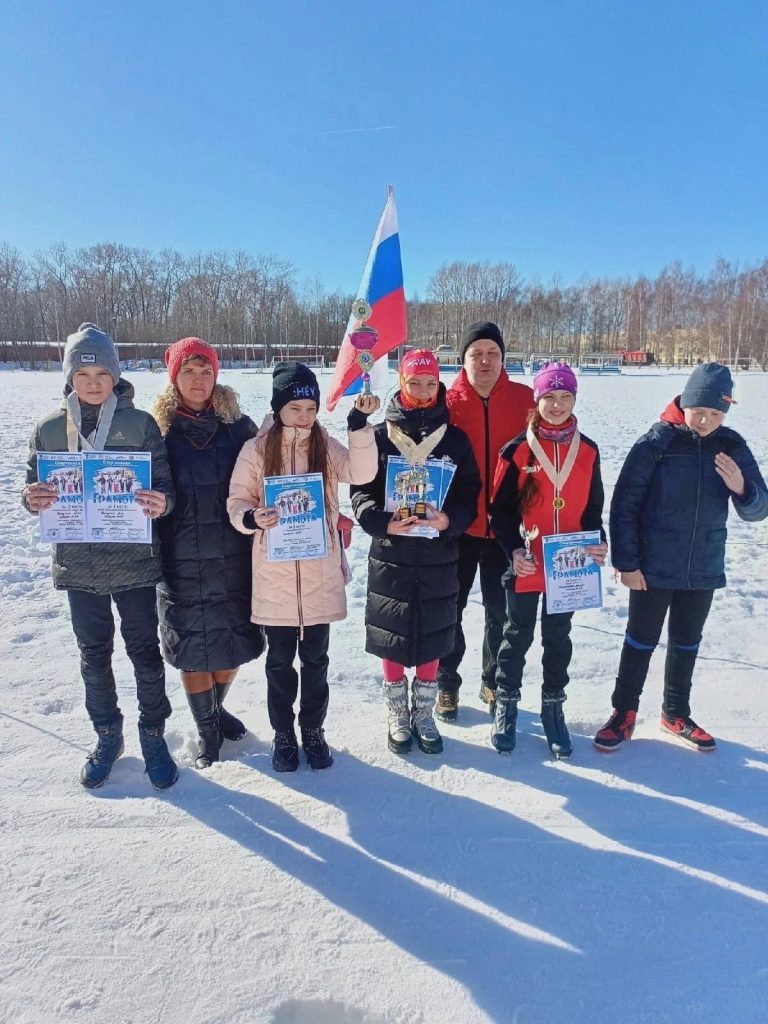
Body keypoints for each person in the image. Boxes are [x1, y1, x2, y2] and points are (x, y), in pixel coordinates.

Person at [22, 322, 178, 790]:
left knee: (144, 653)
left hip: (132, 562)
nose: (93, 381)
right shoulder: (50, 427)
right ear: (70, 377)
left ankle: (153, 733)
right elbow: (32, 484)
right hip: (79, 564)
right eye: (83, 372)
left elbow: (167, 486)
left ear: (115, 375)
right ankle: (107, 733)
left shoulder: (140, 424)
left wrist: (161, 502)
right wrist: (33, 498)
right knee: (93, 655)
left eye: (101, 372)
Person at [594, 363, 768, 752]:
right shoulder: (656, 443)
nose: (706, 420)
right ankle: (623, 712)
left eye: (716, 413)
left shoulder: (732, 446)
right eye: (699, 411)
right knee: (640, 640)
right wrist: (627, 563)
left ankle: (675, 712)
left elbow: (760, 509)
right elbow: (625, 506)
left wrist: (741, 487)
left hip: (703, 565)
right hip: (653, 567)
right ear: (685, 404)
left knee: (687, 642)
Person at [227, 362, 378, 772]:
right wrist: (252, 517)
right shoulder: (256, 449)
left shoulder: (325, 446)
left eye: (310, 408)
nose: (305, 416)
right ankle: (283, 734)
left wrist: (360, 424)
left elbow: (362, 472)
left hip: (319, 573)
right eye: (295, 408)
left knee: (316, 661)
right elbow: (237, 500)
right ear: (278, 408)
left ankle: (313, 730)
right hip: (274, 574)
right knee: (278, 663)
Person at [351, 349, 481, 755]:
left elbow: (469, 493)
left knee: (434, 634)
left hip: (439, 555)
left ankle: (423, 711)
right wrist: (381, 522)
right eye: (414, 383)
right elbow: (360, 492)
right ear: (401, 384)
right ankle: (396, 712)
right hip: (392, 553)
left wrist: (449, 521)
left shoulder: (455, 440)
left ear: (439, 385)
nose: (423, 391)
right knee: (392, 633)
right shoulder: (380, 436)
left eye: (430, 383)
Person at [152, 337, 266, 769]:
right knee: (191, 646)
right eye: (188, 371)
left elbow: (271, 472)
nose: (197, 380)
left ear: (216, 375)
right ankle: (207, 729)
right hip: (179, 559)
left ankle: (215, 710)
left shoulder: (239, 427)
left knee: (231, 643)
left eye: (205, 371)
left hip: (235, 555)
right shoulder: (157, 431)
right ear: (174, 377)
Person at [490, 361, 607, 758]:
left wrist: (598, 542)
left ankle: (553, 705)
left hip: (569, 566)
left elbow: (593, 512)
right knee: (515, 635)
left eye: (565, 396)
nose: (557, 405)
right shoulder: (517, 450)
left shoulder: (588, 451)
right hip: (526, 563)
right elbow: (500, 514)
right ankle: (506, 702)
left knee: (558, 639)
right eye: (549, 397)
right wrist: (514, 551)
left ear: (575, 398)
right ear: (537, 400)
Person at [436, 321, 534, 721]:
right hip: (456, 527)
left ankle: (492, 680)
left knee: (501, 612)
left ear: (503, 358)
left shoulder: (526, 400)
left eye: (493, 353)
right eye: (476, 353)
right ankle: (445, 683)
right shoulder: (445, 401)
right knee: (449, 609)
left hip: (506, 530)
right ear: (463, 360)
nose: (485, 360)